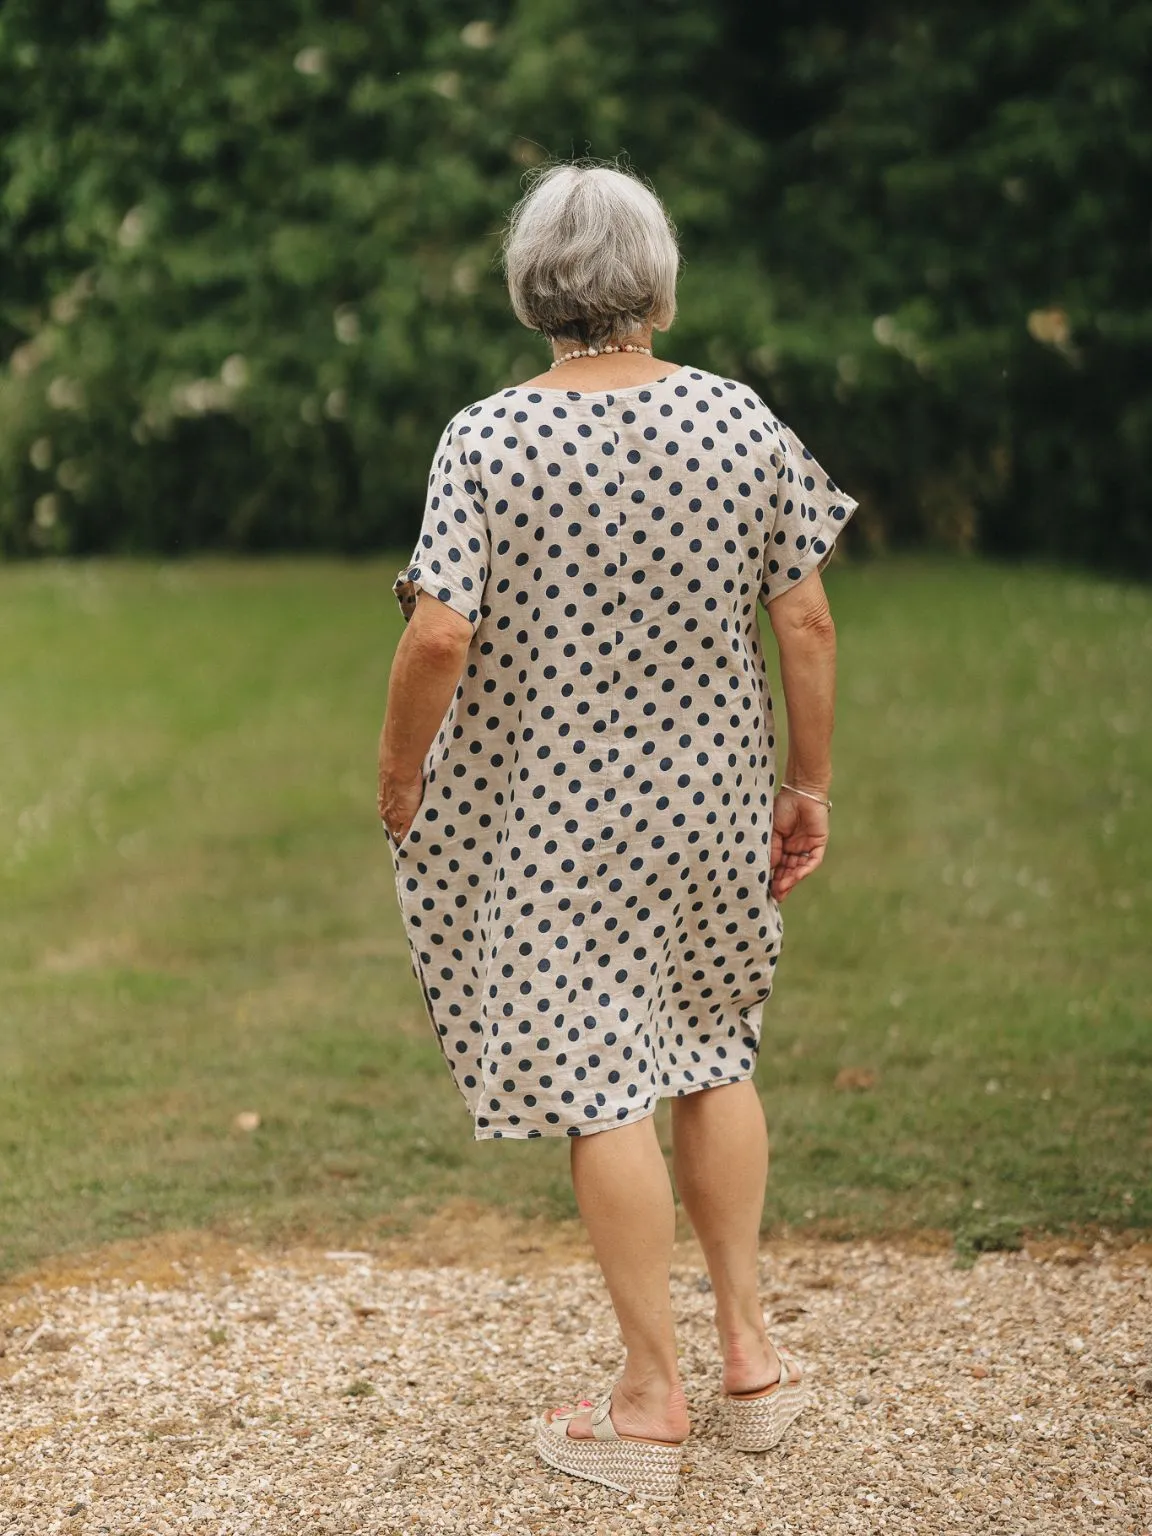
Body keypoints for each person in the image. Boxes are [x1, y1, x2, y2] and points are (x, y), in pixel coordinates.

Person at [377, 160, 857, 1501]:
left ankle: (648, 1401)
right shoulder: (740, 421)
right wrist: (807, 784)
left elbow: (438, 631)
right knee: (713, 1051)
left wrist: (398, 773)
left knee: (603, 1084)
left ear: (535, 287)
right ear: (656, 279)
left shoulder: (487, 438)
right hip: (710, 802)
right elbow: (806, 619)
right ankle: (752, 1364)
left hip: (559, 818)